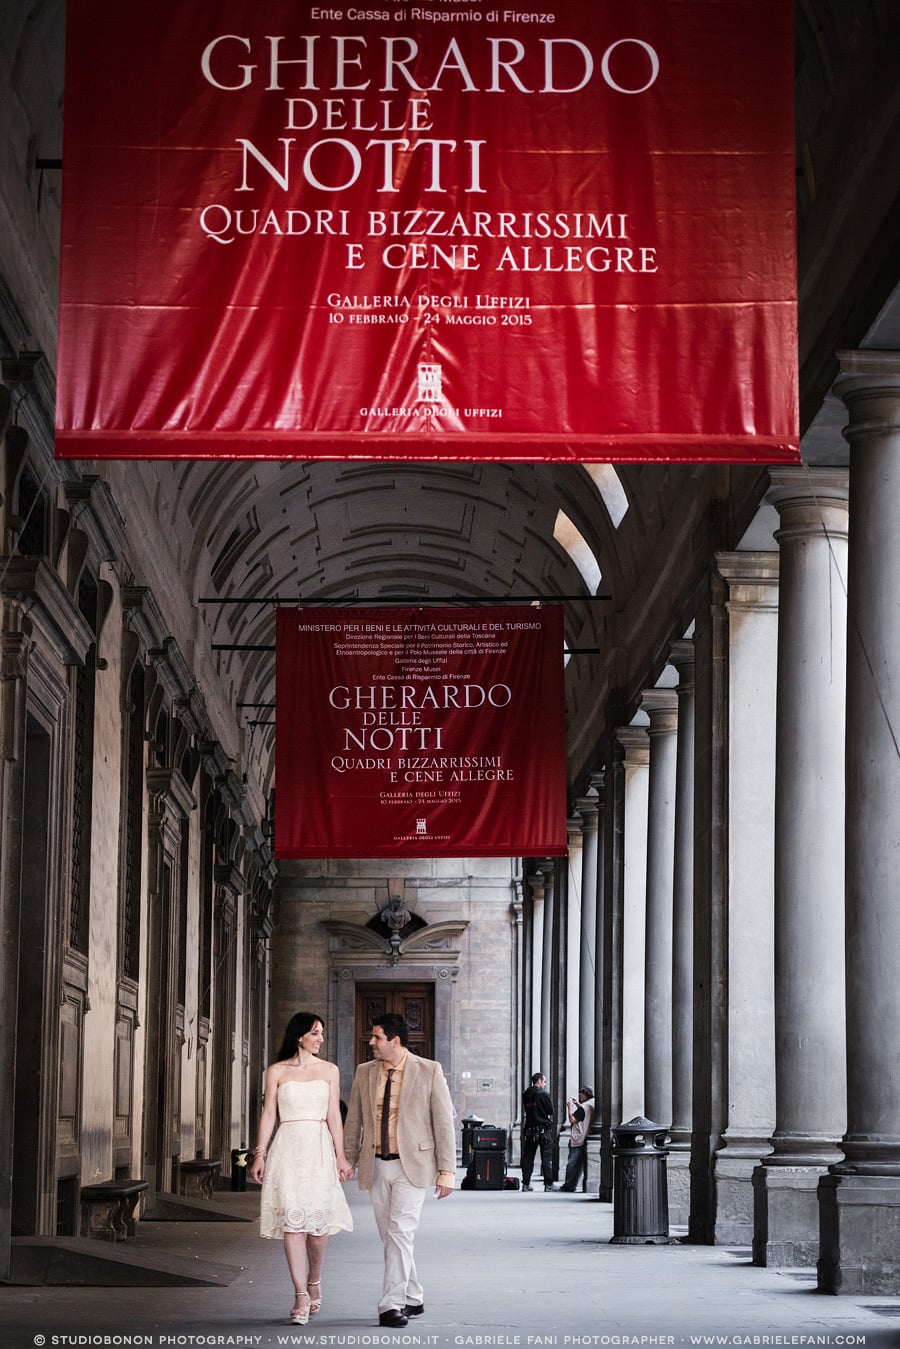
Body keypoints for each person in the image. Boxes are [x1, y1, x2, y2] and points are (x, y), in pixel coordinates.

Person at [343, 1013, 456, 1328]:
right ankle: (414, 1295)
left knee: (400, 1233)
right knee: (392, 1237)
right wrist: (346, 1160)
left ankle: (390, 1304)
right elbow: (354, 1121)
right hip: (377, 1165)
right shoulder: (364, 1072)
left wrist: (447, 1172)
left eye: (377, 1037)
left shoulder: (429, 1071)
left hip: (413, 1167)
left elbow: (443, 1124)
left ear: (395, 1040)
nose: (371, 1042)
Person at [250, 1012, 353, 1326]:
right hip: (287, 1148)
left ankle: (314, 1280)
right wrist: (259, 1154)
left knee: (317, 1228)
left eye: (322, 1033)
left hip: (319, 1147)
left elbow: (334, 1115)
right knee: (293, 1224)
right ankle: (300, 1295)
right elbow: (269, 1114)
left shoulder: (329, 1071)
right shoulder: (277, 1071)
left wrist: (341, 1156)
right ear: (300, 1036)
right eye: (316, 1033)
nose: (321, 1038)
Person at [520, 1071, 555, 1191]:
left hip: (530, 1130)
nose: (545, 1084)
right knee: (546, 1158)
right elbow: (550, 1111)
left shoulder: (526, 1094)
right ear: (539, 1081)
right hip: (543, 1130)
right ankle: (548, 1185)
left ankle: (525, 1184)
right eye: (544, 1081)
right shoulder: (543, 1094)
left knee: (528, 1158)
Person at [560, 1085, 594, 1192]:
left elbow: (572, 1119)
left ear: (584, 1095)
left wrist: (570, 1107)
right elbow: (585, 1113)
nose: (579, 1097)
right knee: (579, 1164)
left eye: (580, 1095)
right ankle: (572, 1184)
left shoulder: (584, 1107)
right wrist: (578, 1105)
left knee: (572, 1163)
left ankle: (569, 1185)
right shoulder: (592, 1103)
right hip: (585, 1136)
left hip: (578, 1138)